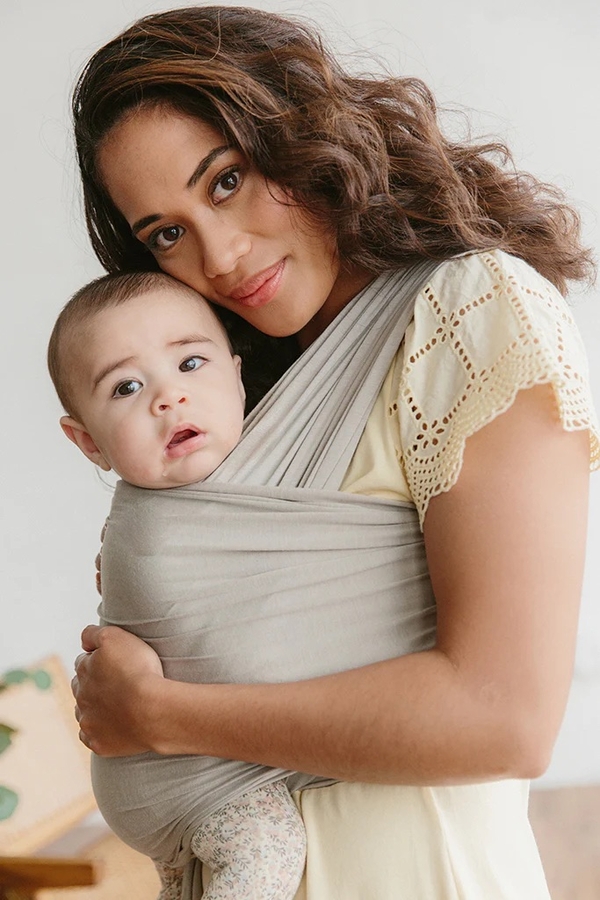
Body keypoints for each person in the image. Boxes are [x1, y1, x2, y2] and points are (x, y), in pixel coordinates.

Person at [69, 6, 599, 899]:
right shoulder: (239, 382)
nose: (219, 256)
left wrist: (162, 713)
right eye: (167, 232)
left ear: (303, 134)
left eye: (226, 180)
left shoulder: (472, 312)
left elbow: (504, 719)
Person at [48, 270, 309, 900]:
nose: (169, 397)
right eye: (127, 387)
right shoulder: (152, 531)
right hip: (180, 772)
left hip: (162, 763)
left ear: (239, 379)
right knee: (269, 849)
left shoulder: (227, 495)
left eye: (191, 363)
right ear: (88, 442)